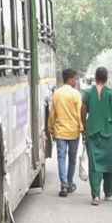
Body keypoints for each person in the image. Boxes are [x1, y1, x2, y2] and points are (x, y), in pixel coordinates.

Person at [81, 67, 112, 206]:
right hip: (110, 135)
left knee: (95, 165)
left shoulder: (87, 93)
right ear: (106, 78)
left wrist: (85, 128)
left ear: (95, 77)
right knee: (111, 162)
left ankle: (95, 196)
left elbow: (82, 113)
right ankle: (108, 192)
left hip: (93, 134)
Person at [48, 68, 83, 197]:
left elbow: (52, 114)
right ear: (70, 79)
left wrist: (51, 128)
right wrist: (82, 128)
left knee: (61, 158)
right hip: (74, 132)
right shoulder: (76, 94)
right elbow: (80, 114)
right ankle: (69, 182)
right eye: (75, 78)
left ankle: (63, 185)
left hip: (60, 131)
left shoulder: (57, 94)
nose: (76, 81)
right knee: (72, 159)